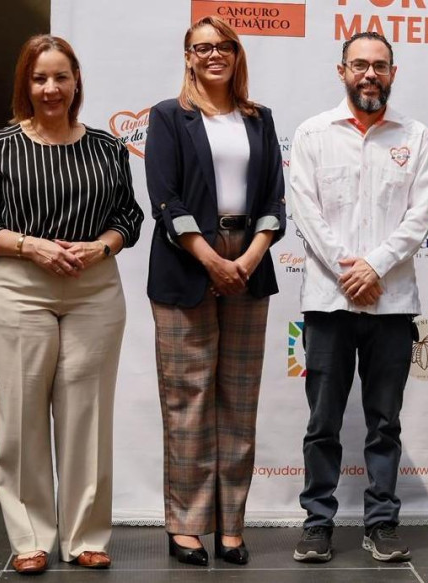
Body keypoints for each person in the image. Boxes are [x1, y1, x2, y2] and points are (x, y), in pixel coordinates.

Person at [0, 35, 143, 575]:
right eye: (40, 78)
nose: (51, 88)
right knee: (22, 419)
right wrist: (30, 244)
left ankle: (85, 535)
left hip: (93, 289)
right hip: (16, 287)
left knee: (87, 418)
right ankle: (29, 537)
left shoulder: (107, 148)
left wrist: (100, 246)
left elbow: (128, 217)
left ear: (76, 80)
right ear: (26, 85)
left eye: (61, 76)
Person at [289, 31, 428, 564]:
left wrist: (374, 265)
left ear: (392, 72)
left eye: (379, 66)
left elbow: (420, 216)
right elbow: (304, 209)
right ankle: (317, 523)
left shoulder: (416, 136)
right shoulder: (312, 133)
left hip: (392, 302)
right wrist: (350, 268)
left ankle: (381, 523)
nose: (369, 74)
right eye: (359, 65)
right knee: (322, 422)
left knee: (384, 422)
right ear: (342, 71)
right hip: (329, 301)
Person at [144, 16, 285, 567]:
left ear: (236, 53)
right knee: (188, 401)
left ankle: (232, 526)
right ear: (187, 56)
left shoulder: (259, 118)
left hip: (249, 263)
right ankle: (186, 526)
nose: (213, 55)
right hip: (187, 265)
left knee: (238, 402)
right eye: (201, 47)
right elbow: (165, 197)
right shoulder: (168, 117)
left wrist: (247, 257)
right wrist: (209, 258)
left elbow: (274, 197)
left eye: (223, 46)